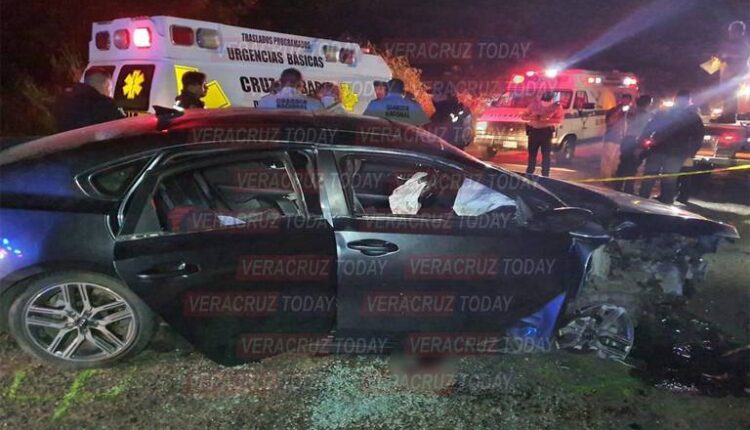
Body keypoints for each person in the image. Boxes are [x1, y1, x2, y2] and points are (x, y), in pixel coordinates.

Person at [638, 90, 705, 204]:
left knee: (650, 178)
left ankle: (642, 201)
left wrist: (642, 144)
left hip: (659, 149)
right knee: (669, 180)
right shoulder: (692, 116)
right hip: (675, 153)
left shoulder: (665, 112)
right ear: (689, 101)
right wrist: (690, 153)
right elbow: (699, 137)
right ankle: (666, 202)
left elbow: (649, 128)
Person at [52, 67, 125, 132]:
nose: (111, 93)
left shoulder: (63, 101)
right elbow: (123, 128)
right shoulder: (105, 105)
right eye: (110, 89)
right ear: (105, 85)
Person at [614, 95, 653, 193]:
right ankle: (628, 189)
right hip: (637, 141)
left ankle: (617, 186)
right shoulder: (648, 115)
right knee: (632, 166)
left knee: (623, 164)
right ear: (648, 104)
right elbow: (646, 131)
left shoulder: (630, 112)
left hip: (626, 140)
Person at [521, 92, 564, 177]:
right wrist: (532, 117)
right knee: (532, 154)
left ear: (552, 100)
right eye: (544, 101)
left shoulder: (557, 107)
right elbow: (523, 116)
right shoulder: (534, 105)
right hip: (534, 131)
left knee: (546, 155)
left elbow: (559, 120)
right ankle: (529, 173)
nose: (545, 103)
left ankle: (545, 174)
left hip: (546, 132)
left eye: (547, 101)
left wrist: (547, 119)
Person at [363, 79, 430, 126]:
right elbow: (424, 128)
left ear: (387, 90)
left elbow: (364, 123)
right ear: (403, 91)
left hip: (379, 140)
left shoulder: (374, 104)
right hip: (405, 141)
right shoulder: (414, 106)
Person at [257, 68, 324, 111]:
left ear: (280, 81)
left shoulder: (265, 102)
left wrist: (272, 94)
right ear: (300, 84)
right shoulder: (315, 104)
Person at [601, 94, 634, 179]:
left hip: (622, 140)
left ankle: (613, 175)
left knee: (617, 160)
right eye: (624, 100)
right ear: (621, 100)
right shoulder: (614, 110)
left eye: (628, 100)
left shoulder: (631, 112)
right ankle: (606, 178)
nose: (626, 102)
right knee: (608, 159)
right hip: (611, 138)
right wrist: (619, 113)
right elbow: (609, 122)